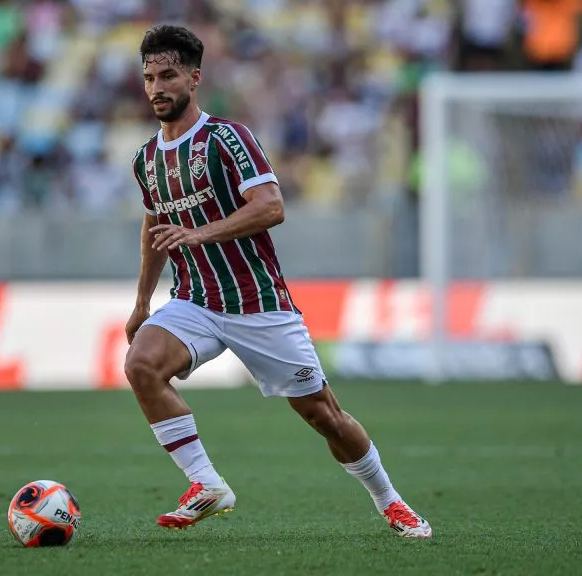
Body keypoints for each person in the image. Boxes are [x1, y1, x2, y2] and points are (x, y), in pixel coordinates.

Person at [123, 24, 432, 538]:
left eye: (169, 75)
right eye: (150, 77)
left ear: (194, 78)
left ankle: (392, 501)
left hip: (258, 303)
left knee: (325, 416)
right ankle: (206, 483)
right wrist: (141, 303)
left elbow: (271, 206)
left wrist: (200, 235)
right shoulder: (146, 159)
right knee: (141, 366)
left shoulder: (227, 138)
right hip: (194, 301)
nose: (157, 87)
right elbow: (156, 227)